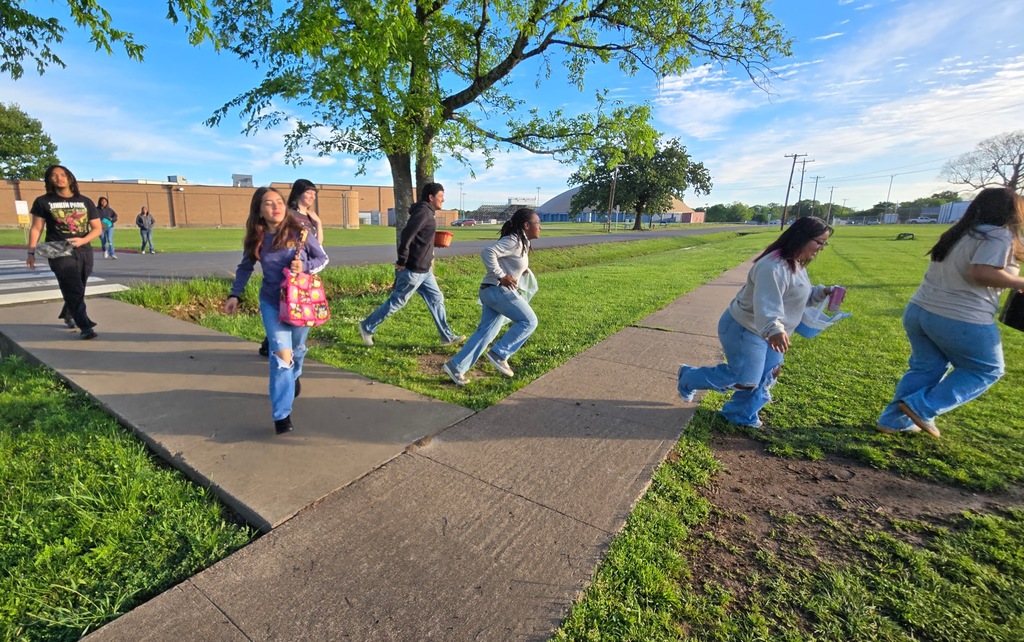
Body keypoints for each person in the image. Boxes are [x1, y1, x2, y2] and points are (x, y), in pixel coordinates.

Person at [876, 187, 1024, 438]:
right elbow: (981, 272)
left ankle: (894, 421)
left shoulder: (959, 233)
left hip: (920, 311)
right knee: (986, 369)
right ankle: (920, 407)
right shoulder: (998, 235)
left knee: (926, 368)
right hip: (961, 316)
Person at [677, 216, 839, 428]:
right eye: (819, 242)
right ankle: (689, 377)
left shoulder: (795, 264)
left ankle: (740, 414)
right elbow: (767, 303)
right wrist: (774, 329)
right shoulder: (773, 267)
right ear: (802, 237)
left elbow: (794, 296)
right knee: (744, 379)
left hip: (768, 331)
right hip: (746, 328)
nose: (822, 247)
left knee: (767, 376)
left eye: (824, 243)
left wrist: (821, 293)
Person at [223, 187, 330, 434]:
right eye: (269, 204)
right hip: (272, 303)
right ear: (259, 211)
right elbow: (245, 267)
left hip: (300, 302)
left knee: (298, 349)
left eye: (279, 202)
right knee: (282, 356)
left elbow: (322, 259)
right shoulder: (257, 238)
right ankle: (282, 415)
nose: (276, 207)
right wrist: (234, 294)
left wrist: (303, 265)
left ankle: (295, 375)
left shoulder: (300, 232)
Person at [442, 208, 541, 385]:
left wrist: (520, 272)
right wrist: (500, 275)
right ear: (527, 225)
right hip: (497, 290)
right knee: (529, 321)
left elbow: (509, 261)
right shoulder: (513, 241)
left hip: (491, 291)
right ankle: (500, 353)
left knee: (485, 333)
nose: (540, 227)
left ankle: (456, 366)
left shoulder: (522, 242)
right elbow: (488, 252)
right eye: (537, 223)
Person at [358, 182, 464, 347]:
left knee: (437, 298)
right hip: (413, 270)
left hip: (425, 270)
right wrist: (402, 260)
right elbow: (407, 235)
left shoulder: (427, 212)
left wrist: (431, 243)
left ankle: (447, 336)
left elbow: (419, 237)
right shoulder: (423, 212)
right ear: (431, 197)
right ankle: (367, 326)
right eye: (441, 196)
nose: (443, 200)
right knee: (398, 301)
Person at [26, 165, 104, 339]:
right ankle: (85, 326)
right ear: (49, 180)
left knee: (79, 285)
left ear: (70, 178)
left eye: (62, 174)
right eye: (54, 175)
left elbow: (97, 228)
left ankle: (69, 312)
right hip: (58, 250)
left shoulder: (85, 201)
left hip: (83, 249)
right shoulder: (43, 201)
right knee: (73, 286)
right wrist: (31, 252)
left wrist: (83, 240)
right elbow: (36, 228)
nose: (59, 178)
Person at [258, 179, 325, 358]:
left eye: (314, 194)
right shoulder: (289, 215)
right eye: (309, 192)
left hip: (304, 279)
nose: (312, 196)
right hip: (283, 282)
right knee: (285, 322)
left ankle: (287, 356)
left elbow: (318, 248)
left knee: (299, 326)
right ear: (298, 193)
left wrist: (318, 223)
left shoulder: (310, 217)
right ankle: (276, 345)